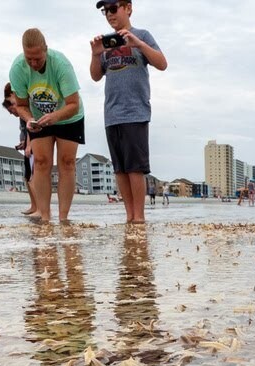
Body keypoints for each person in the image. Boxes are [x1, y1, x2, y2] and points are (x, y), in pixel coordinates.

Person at [89, 0, 167, 224]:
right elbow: (95, 76)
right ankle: (129, 215)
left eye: (113, 9)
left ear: (128, 8)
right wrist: (95, 55)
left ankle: (139, 218)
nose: (109, 14)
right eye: (106, 11)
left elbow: (162, 63)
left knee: (135, 168)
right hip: (111, 114)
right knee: (120, 169)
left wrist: (138, 44)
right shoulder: (106, 43)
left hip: (136, 111)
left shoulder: (142, 34)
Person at [10, 28, 85, 224]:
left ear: (46, 50)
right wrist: (28, 120)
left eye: (38, 59)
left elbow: (73, 104)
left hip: (69, 116)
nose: (33, 64)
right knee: (42, 162)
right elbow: (22, 105)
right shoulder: (18, 68)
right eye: (29, 59)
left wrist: (54, 117)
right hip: (38, 118)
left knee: (67, 163)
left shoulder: (61, 64)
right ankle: (44, 216)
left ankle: (63, 218)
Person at [3, 83, 40, 217]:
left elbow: (31, 128)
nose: (13, 113)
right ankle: (34, 206)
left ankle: (39, 208)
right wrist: (24, 143)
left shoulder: (26, 107)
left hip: (33, 145)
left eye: (11, 110)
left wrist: (29, 145)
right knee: (27, 177)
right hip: (28, 146)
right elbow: (25, 131)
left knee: (32, 178)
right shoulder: (22, 112)